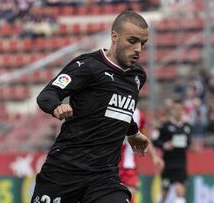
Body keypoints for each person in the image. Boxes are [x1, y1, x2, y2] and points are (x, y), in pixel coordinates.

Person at [32, 10, 150, 203]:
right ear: (114, 37)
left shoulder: (137, 76)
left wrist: (133, 132)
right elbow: (47, 94)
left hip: (104, 177)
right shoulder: (87, 66)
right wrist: (56, 106)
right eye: (132, 41)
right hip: (64, 172)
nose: (138, 49)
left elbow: (117, 109)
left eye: (142, 44)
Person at [119, 108, 164, 203]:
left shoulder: (139, 115)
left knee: (129, 197)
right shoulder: (112, 108)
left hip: (129, 167)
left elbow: (144, 139)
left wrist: (155, 157)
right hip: (110, 166)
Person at [153, 99, 191, 203]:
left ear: (183, 110)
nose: (178, 111)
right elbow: (155, 141)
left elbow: (188, 143)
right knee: (164, 193)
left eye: (180, 109)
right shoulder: (164, 126)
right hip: (168, 164)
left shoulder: (187, 126)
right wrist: (165, 145)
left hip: (181, 164)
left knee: (180, 192)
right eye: (176, 109)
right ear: (172, 110)